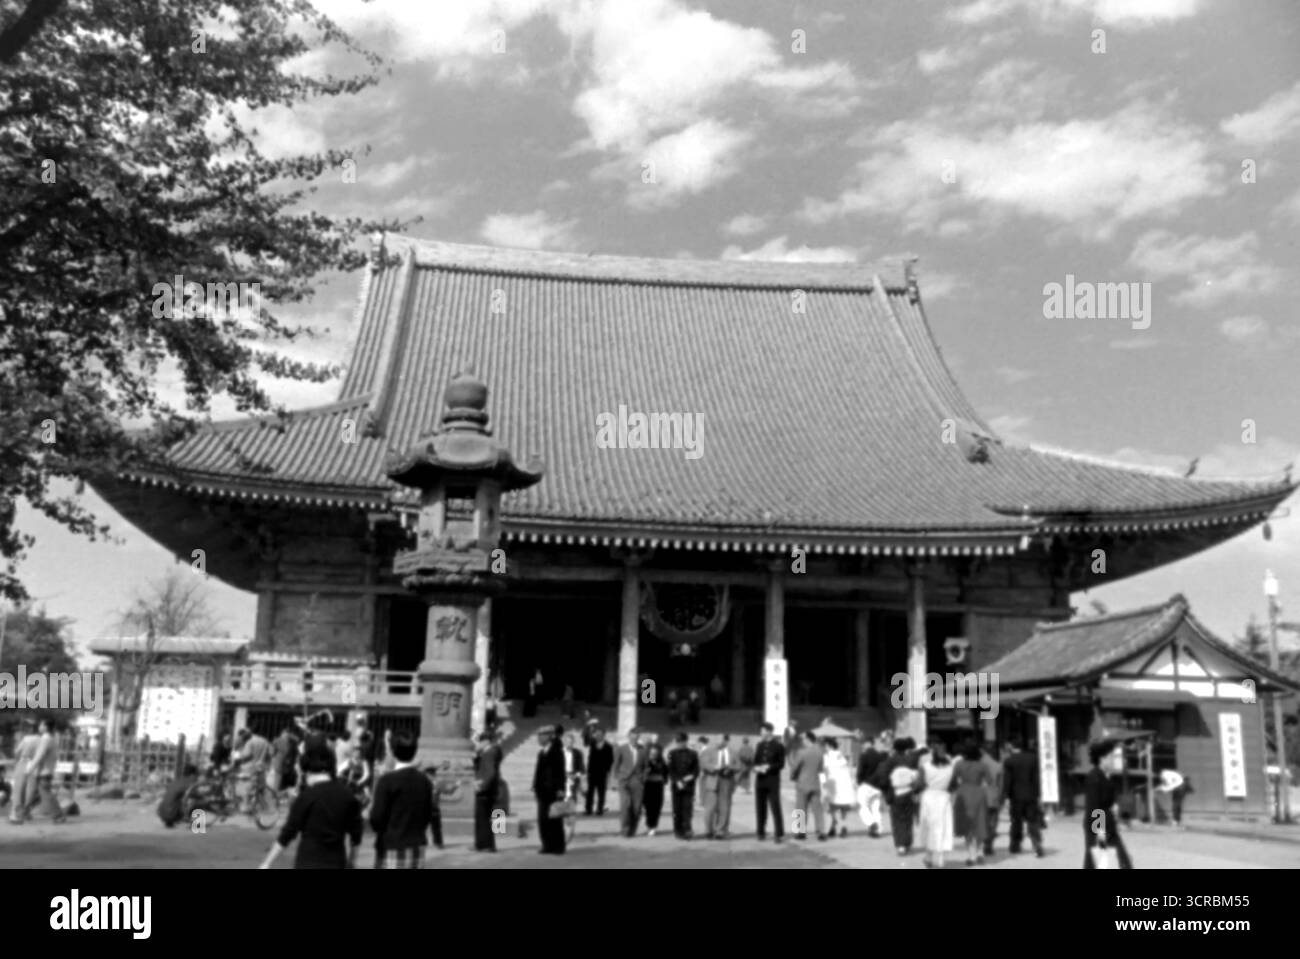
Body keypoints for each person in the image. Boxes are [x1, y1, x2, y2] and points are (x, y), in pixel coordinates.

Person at [260, 736, 363, 869]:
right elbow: (356, 834)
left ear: (307, 771)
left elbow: (288, 833)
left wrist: (266, 863)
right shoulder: (348, 796)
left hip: (308, 861)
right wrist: (352, 861)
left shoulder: (307, 796)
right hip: (336, 862)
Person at [367, 729, 437, 868]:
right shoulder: (424, 781)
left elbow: (377, 818)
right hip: (417, 844)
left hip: (391, 844)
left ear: (392, 751)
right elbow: (428, 814)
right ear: (415, 751)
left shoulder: (387, 781)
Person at [1083, 740, 1134, 869]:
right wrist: (1100, 833)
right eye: (1111, 757)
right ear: (1102, 759)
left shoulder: (1105, 776)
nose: (1113, 760)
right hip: (1098, 828)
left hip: (1109, 826)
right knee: (1100, 861)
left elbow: (1107, 801)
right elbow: (1094, 807)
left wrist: (1114, 809)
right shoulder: (1094, 777)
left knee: (1120, 861)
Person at [1002, 737, 1044, 857]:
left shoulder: (1009, 761)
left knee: (1016, 821)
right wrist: (1038, 795)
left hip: (1016, 796)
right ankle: (1037, 845)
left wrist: (1006, 796)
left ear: (1011, 746)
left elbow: (1007, 781)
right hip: (1031, 794)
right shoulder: (1033, 758)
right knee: (1033, 821)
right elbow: (1036, 779)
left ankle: (1015, 845)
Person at [917, 740, 955, 869]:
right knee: (943, 827)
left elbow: (919, 784)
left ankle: (928, 856)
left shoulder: (925, 767)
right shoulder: (950, 768)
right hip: (944, 798)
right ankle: (940, 859)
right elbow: (953, 786)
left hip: (928, 797)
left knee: (929, 826)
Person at [952, 741, 990, 865]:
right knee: (980, 823)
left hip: (963, 793)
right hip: (978, 793)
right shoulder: (982, 765)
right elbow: (989, 780)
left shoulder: (959, 764)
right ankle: (980, 852)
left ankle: (971, 855)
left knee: (966, 825)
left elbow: (953, 780)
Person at [532, 725, 567, 854]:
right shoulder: (541, 752)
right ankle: (547, 845)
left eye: (542, 735)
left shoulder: (557, 751)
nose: (539, 738)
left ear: (549, 737)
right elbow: (538, 772)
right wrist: (535, 786)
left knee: (555, 819)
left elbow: (560, 772)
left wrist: (560, 789)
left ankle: (558, 846)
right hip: (542, 791)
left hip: (554, 791)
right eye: (538, 736)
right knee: (543, 820)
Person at [26, 719, 66, 823]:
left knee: (45, 794)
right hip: (46, 770)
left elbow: (40, 755)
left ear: (46, 727)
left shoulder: (46, 739)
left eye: (41, 725)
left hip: (43, 771)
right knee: (35, 793)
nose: (39, 727)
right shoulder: (51, 738)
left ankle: (58, 815)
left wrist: (30, 768)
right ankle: (24, 812)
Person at [699, 735, 738, 839]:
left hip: (726, 781)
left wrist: (730, 768)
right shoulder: (709, 751)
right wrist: (714, 767)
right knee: (710, 808)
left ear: (726, 741)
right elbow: (703, 763)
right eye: (716, 739)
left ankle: (720, 831)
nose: (717, 741)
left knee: (724, 808)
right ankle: (708, 830)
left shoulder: (733, 752)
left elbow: (739, 766)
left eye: (720, 739)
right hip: (712, 780)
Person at [885, 738, 919, 856]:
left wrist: (887, 792)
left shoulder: (890, 760)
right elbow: (916, 775)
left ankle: (900, 845)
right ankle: (908, 842)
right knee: (908, 819)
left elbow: (884, 777)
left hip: (896, 792)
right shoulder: (911, 759)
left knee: (897, 819)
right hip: (909, 791)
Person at [790, 730, 826, 841]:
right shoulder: (820, 752)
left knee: (800, 808)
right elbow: (820, 769)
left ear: (808, 739)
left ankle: (800, 832)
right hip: (815, 783)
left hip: (802, 783)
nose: (802, 741)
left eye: (803, 739)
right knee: (817, 809)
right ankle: (821, 831)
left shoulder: (802, 752)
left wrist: (793, 776)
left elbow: (795, 767)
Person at [753, 722, 786, 842]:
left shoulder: (779, 746)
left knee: (775, 806)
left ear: (769, 731)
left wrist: (769, 767)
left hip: (772, 779)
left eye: (762, 731)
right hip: (760, 779)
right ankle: (760, 831)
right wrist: (756, 767)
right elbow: (756, 761)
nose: (761, 733)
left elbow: (781, 764)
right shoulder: (759, 745)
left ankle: (779, 833)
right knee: (760, 806)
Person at [473, 731, 504, 852]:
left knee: (484, 818)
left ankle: (486, 845)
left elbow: (490, 772)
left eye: (480, 741)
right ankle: (481, 843)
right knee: (481, 817)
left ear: (485, 741)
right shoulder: (487, 752)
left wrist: (482, 785)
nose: (478, 744)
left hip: (486, 789)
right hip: (488, 788)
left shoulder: (490, 753)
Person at [613, 728, 646, 838]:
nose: (635, 739)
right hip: (624, 780)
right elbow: (615, 765)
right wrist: (615, 779)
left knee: (636, 808)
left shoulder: (643, 750)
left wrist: (643, 777)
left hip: (638, 781)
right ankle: (625, 830)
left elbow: (647, 767)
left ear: (639, 738)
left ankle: (632, 829)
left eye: (637, 737)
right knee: (625, 805)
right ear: (629, 736)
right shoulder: (621, 749)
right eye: (633, 737)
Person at [667, 732, 699, 839]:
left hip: (689, 786)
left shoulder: (693, 754)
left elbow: (696, 770)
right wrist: (678, 781)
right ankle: (678, 830)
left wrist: (687, 779)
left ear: (686, 741)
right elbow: (671, 770)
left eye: (682, 741)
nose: (680, 743)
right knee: (677, 809)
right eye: (678, 741)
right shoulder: (672, 753)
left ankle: (687, 830)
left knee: (687, 809)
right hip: (676, 786)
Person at [856, 733, 888, 838]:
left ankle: (871, 823)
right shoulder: (880, 756)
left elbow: (860, 771)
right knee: (876, 808)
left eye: (864, 743)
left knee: (862, 806)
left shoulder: (864, 755)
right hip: (878, 786)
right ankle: (878, 830)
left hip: (866, 784)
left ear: (868, 743)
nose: (862, 745)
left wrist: (859, 781)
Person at [822, 737, 855, 838]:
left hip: (833, 784)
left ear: (828, 745)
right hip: (844, 784)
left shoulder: (827, 756)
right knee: (843, 808)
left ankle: (834, 826)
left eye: (825, 745)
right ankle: (842, 825)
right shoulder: (841, 756)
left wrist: (823, 784)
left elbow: (824, 770)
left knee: (832, 807)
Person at [7, 720, 39, 824]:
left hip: (23, 762)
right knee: (30, 790)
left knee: (18, 790)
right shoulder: (42, 739)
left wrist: (16, 761)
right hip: (35, 764)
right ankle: (26, 812)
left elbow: (17, 752)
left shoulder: (26, 738)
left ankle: (15, 814)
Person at [979, 742, 1003, 857]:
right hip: (993, 796)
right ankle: (989, 844)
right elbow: (1001, 785)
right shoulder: (998, 765)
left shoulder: (978, 764)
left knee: (981, 822)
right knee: (992, 823)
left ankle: (980, 844)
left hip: (980, 796)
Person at [158, 763, 200, 828]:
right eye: (197, 775)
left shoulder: (177, 781)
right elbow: (196, 795)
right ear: (192, 775)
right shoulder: (188, 783)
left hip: (161, 813)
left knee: (177, 800)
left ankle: (169, 822)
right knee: (197, 802)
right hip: (172, 814)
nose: (197, 777)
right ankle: (193, 822)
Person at [585, 726, 613, 815]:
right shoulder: (592, 744)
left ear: (604, 735)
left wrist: (607, 770)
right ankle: (588, 809)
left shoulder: (608, 746)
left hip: (602, 773)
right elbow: (586, 740)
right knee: (590, 792)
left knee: (601, 792)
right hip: (592, 772)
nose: (598, 736)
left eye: (600, 735)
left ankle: (599, 809)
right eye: (597, 734)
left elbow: (610, 760)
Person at [643, 743, 669, 837]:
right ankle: (649, 825)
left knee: (657, 807)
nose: (653, 755)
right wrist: (646, 773)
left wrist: (664, 779)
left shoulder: (662, 762)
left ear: (658, 753)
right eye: (652, 753)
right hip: (647, 786)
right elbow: (642, 773)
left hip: (658, 786)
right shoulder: (646, 762)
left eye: (655, 753)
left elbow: (666, 774)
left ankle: (653, 826)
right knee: (648, 807)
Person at [563, 731, 585, 804]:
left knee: (573, 796)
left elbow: (582, 768)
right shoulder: (559, 753)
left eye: (571, 742)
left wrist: (575, 775)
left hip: (573, 776)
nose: (570, 744)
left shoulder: (578, 753)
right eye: (568, 742)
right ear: (564, 742)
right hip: (562, 776)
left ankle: (572, 812)